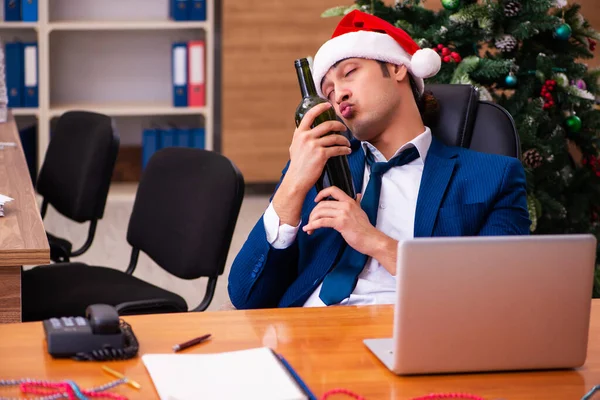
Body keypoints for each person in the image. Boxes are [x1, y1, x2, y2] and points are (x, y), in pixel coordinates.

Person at [227, 10, 530, 310]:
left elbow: (501, 290)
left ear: (398, 68)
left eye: (349, 73)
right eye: (329, 91)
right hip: (308, 335)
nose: (339, 95)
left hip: (408, 332)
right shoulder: (316, 168)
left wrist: (374, 241)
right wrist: (292, 183)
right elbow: (246, 297)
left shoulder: (492, 176)